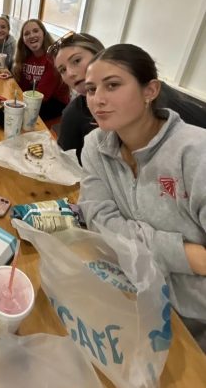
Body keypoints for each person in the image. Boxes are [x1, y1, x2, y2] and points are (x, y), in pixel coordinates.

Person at [78, 44, 206, 350]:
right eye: (91, 89)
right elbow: (100, 223)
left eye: (113, 85)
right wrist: (188, 255)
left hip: (192, 325)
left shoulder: (195, 153)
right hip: (130, 296)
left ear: (150, 91)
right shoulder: (95, 145)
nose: (98, 100)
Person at [50, 31, 206, 161]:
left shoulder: (166, 107)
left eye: (77, 60)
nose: (70, 73)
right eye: (62, 70)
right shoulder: (76, 118)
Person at [13, 19, 70, 120]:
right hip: (33, 97)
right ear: (23, 40)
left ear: (44, 33)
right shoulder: (26, 58)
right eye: (26, 34)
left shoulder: (53, 59)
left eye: (35, 31)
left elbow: (42, 96)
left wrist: (15, 103)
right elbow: (21, 87)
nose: (31, 35)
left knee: (16, 116)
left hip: (53, 103)